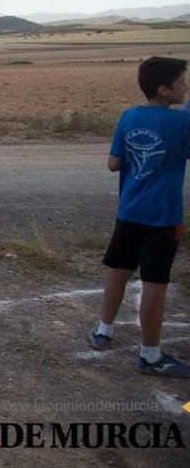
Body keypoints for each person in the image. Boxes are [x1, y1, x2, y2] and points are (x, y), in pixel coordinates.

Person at [87, 57, 190, 377]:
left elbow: (113, 164)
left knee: (118, 270)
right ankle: (150, 355)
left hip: (129, 210)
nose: (185, 86)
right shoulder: (182, 124)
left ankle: (103, 331)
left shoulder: (129, 116)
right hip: (162, 217)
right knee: (154, 283)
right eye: (182, 82)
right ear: (164, 89)